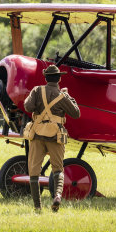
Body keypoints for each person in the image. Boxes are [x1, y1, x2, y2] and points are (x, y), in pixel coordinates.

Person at [24, 65, 80, 213]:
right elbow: (76, 113)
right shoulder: (62, 96)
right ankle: (57, 196)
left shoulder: (37, 90)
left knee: (34, 171)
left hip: (37, 134)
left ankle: (37, 207)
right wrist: (67, 96)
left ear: (45, 78)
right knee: (58, 169)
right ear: (59, 78)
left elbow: (28, 107)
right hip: (55, 135)